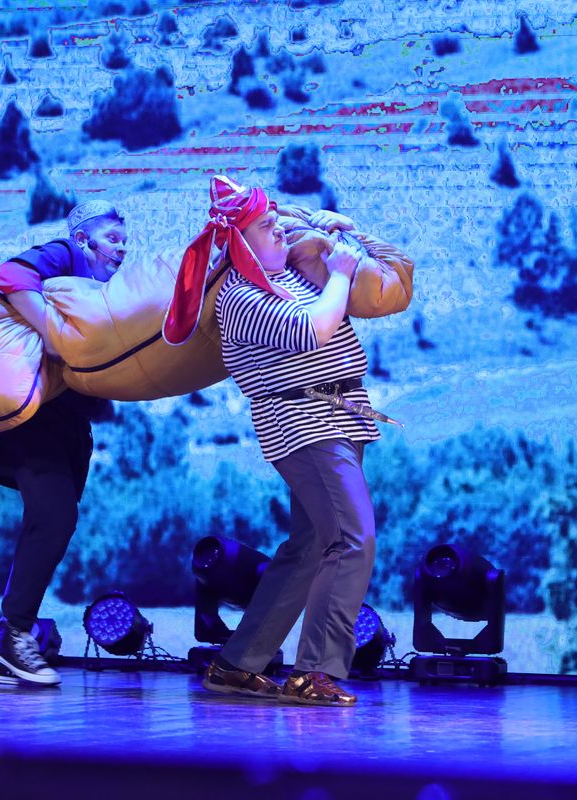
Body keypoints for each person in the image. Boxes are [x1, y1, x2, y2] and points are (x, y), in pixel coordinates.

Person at [164, 175, 381, 707]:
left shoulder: (289, 277)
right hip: (306, 424)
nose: (279, 231)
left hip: (339, 417)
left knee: (309, 547)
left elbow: (340, 278)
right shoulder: (241, 298)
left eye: (276, 222)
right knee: (352, 538)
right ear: (241, 242)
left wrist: (333, 232)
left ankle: (237, 664)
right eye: (266, 226)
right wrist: (341, 274)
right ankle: (314, 672)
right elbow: (314, 329)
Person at [0, 200, 127, 686]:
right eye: (112, 238)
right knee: (54, 518)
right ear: (84, 239)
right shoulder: (65, 255)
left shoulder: (107, 294)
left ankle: (9, 643)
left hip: (70, 428)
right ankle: (12, 637)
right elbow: (9, 276)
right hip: (33, 422)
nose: (121, 249)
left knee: (51, 525)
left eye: (125, 241)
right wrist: (51, 333)